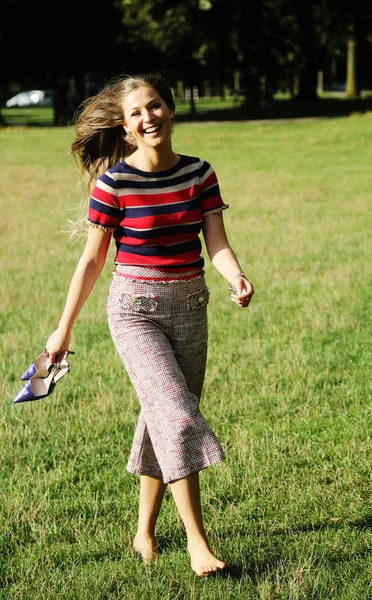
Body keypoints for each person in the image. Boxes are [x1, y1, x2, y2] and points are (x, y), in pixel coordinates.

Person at [44, 73, 254, 577]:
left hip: (190, 305)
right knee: (178, 417)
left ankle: (143, 531)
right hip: (133, 309)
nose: (148, 117)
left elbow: (216, 242)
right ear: (125, 125)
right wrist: (63, 328)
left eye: (155, 106)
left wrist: (237, 276)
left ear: (170, 110)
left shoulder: (200, 174)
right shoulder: (114, 183)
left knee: (161, 419)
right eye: (137, 112)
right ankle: (197, 543)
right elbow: (93, 261)